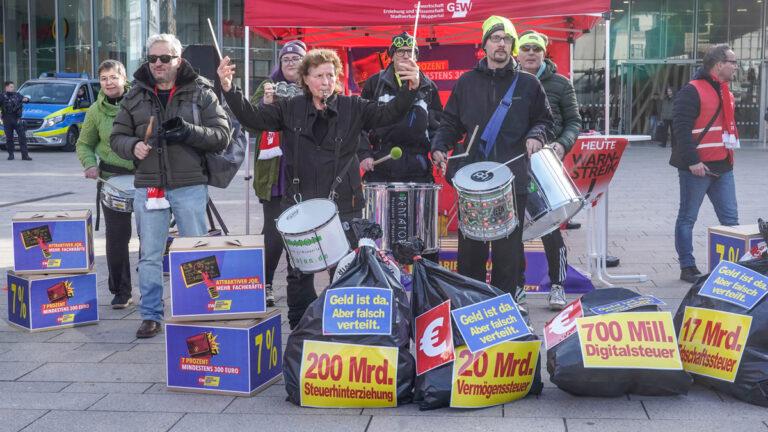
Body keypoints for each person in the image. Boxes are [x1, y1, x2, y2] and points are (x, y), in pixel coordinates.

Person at [219, 48, 421, 329]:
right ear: (306, 79)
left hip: (344, 203)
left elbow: (389, 113)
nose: (326, 81)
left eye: (331, 75)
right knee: (299, 272)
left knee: (347, 269)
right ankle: (300, 326)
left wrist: (410, 89)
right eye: (319, 76)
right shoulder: (289, 108)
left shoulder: (354, 107)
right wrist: (229, 89)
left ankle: (344, 324)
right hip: (301, 204)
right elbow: (253, 118)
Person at [111, 34, 231, 338]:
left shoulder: (201, 91)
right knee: (150, 254)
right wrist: (133, 146)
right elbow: (116, 137)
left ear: (179, 59)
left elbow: (222, 135)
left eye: (165, 58)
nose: (158, 64)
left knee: (195, 251)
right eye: (153, 59)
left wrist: (189, 131)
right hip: (149, 185)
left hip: (189, 183)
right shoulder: (135, 94)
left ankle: (200, 309)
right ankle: (151, 314)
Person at [432, 16, 553, 311]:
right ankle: (471, 308)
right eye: (496, 38)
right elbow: (449, 122)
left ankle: (504, 309)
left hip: (512, 177)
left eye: (507, 39)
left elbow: (545, 121)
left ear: (512, 46)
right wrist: (439, 146)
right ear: (484, 44)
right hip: (473, 180)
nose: (501, 44)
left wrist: (537, 135)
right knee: (470, 250)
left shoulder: (528, 82)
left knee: (508, 253)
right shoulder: (466, 82)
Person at [516, 30, 581, 310]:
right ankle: (516, 288)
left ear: (544, 53)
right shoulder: (510, 80)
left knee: (550, 225)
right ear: (517, 52)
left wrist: (562, 145)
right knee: (513, 228)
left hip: (546, 161)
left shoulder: (560, 84)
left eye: (536, 49)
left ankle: (558, 285)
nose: (531, 53)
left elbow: (574, 122)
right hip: (514, 162)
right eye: (526, 48)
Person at [671, 44, 740, 283]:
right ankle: (687, 266)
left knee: (731, 221)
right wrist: (692, 161)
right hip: (697, 168)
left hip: (723, 165)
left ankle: (735, 267)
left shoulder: (725, 90)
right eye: (733, 62)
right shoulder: (692, 90)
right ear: (719, 64)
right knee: (688, 218)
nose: (736, 66)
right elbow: (680, 129)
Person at [249, 40, 306, 307]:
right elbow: (249, 120)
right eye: (286, 59)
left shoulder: (312, 86)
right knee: (273, 233)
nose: (291, 62)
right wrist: (266, 102)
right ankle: (265, 283)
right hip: (274, 173)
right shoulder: (267, 86)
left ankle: (298, 290)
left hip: (304, 171)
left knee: (300, 234)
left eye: (296, 58)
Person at [76, 60, 136, 309]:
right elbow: (84, 143)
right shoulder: (94, 111)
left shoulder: (139, 103)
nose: (109, 82)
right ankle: (121, 290)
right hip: (111, 180)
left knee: (152, 239)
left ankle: (155, 292)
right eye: (104, 78)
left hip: (145, 179)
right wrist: (90, 164)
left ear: (124, 78)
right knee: (116, 239)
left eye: (113, 77)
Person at [359, 32, 442, 184]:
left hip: (417, 167)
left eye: (410, 51)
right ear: (392, 55)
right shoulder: (375, 83)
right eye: (400, 51)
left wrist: (438, 149)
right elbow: (359, 125)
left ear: (416, 57)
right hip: (381, 164)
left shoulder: (428, 87)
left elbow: (436, 127)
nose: (405, 55)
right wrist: (364, 154)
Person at [1, 81, 31, 160]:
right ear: (6, 87)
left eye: (13, 87)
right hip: (7, 119)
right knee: (9, 138)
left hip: (17, 118)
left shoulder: (17, 95)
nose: (13, 88)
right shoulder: (2, 96)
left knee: (22, 137)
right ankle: (11, 155)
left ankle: (25, 155)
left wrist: (26, 99)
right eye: (11, 87)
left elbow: (26, 100)